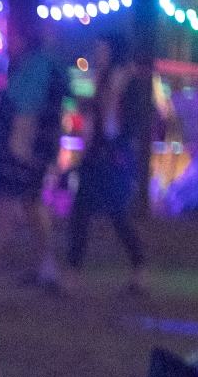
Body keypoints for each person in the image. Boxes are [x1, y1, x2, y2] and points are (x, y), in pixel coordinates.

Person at [0, 21, 68, 287]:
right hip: (39, 148)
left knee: (8, 203)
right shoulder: (51, 67)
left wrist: (19, 147)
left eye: (13, 37)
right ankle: (47, 268)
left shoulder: (37, 67)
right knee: (29, 205)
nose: (8, 43)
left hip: (26, 149)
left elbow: (26, 110)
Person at [59, 33, 153, 296]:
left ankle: (137, 271)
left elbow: (128, 120)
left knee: (114, 215)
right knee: (86, 214)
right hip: (99, 155)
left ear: (113, 52)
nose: (98, 55)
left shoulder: (125, 80)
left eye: (102, 50)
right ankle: (75, 275)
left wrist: (116, 142)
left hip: (112, 158)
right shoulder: (106, 79)